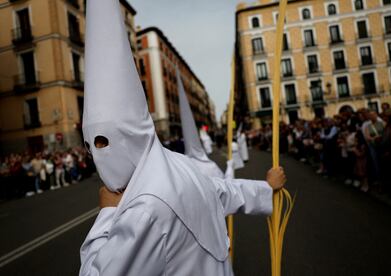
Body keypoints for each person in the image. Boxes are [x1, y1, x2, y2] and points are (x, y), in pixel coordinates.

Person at [79, 2, 287, 275]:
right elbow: (223, 191)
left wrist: (106, 215)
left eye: (103, 141)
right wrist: (265, 187)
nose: (98, 154)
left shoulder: (144, 208)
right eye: (89, 145)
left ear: (135, 134)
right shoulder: (182, 166)